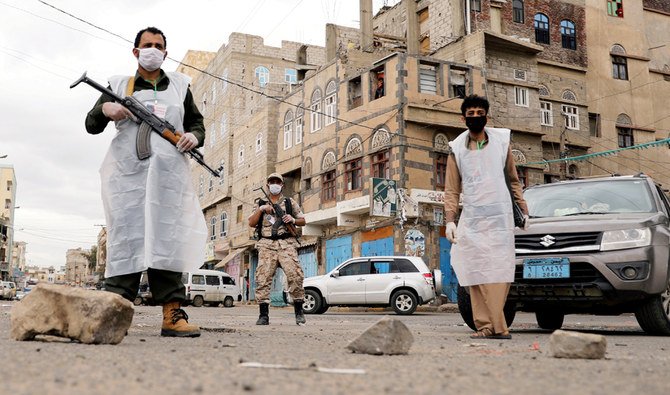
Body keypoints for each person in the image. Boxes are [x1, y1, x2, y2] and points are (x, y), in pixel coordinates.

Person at [84, 26, 207, 337]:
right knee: (127, 240)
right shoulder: (118, 84)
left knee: (167, 241)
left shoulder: (180, 85)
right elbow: (91, 124)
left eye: (159, 46)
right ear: (136, 51)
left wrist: (194, 136)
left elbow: (196, 123)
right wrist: (105, 109)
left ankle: (172, 316)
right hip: (129, 178)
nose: (153, 49)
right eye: (147, 45)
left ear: (166, 52)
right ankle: (112, 313)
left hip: (169, 178)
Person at [443, 94, 529, 340]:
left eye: (479, 113)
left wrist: (523, 210)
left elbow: (513, 179)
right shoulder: (456, 148)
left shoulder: (502, 143)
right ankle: (486, 326)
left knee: (499, 272)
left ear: (486, 116)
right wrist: (450, 219)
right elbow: (451, 189)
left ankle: (496, 325)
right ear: (463, 118)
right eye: (470, 114)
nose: (475, 117)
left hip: (500, 217)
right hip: (472, 218)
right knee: (473, 270)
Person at [248, 173, 307, 325]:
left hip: (286, 243)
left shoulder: (289, 202)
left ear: (282, 185)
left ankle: (299, 312)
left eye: (277, 182)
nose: (274, 184)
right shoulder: (260, 202)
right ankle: (263, 315)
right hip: (266, 245)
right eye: (271, 182)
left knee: (295, 275)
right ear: (267, 185)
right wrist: (261, 209)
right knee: (262, 278)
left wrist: (292, 219)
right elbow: (251, 222)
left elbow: (303, 220)